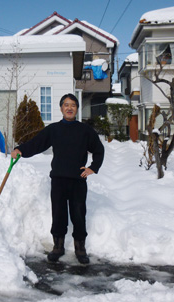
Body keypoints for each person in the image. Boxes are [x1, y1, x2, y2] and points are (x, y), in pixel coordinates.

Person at [11, 93, 104, 264]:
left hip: (78, 180)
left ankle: (80, 248)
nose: (69, 108)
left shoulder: (85, 131)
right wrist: (21, 150)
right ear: (61, 108)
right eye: (66, 105)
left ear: (77, 109)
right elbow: (36, 143)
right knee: (59, 214)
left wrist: (93, 167)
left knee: (78, 214)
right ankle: (58, 247)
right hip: (59, 180)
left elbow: (99, 150)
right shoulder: (54, 129)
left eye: (73, 105)